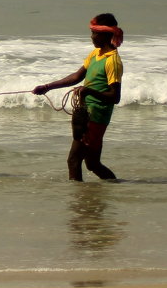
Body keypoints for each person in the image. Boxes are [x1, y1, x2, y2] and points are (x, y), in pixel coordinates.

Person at [33, 14, 124, 182]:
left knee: (73, 160)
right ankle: (115, 188)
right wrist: (47, 87)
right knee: (93, 164)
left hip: (95, 117)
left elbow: (115, 97)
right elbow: (76, 77)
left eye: (95, 33)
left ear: (105, 34)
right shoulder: (96, 54)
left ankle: (79, 201)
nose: (91, 37)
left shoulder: (113, 61)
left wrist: (88, 91)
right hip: (86, 113)